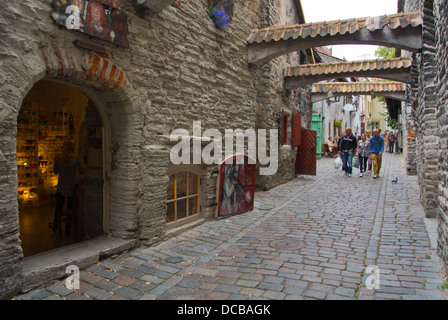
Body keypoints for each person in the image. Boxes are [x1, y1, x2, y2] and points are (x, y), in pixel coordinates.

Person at [49, 140, 84, 234]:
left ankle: (56, 225)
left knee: (58, 207)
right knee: (70, 207)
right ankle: (68, 228)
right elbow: (81, 170)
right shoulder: (76, 157)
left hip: (62, 185)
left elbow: (55, 171)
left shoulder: (58, 158)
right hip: (73, 185)